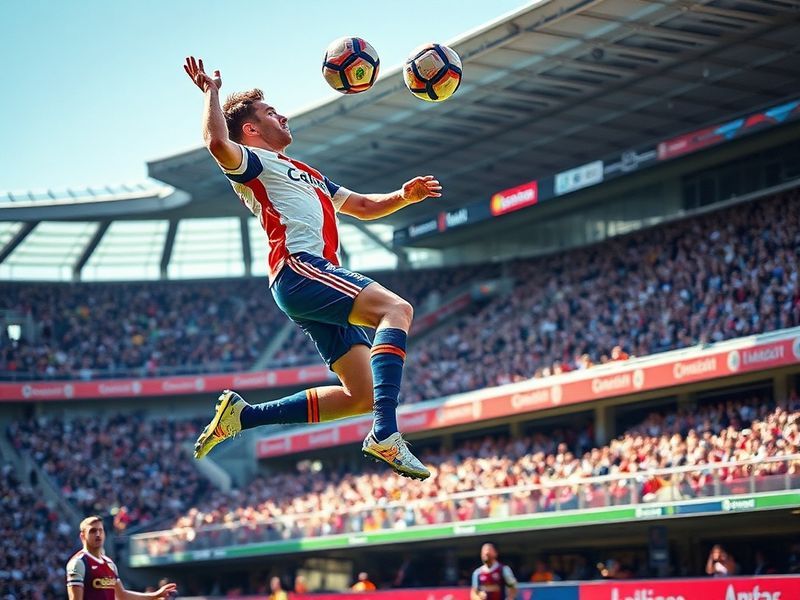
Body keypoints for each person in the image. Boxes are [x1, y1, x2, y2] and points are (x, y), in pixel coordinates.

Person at [183, 56, 442, 480]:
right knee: (396, 310)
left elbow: (362, 206)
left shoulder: (307, 173)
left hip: (312, 279)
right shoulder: (252, 162)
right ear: (251, 130)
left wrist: (402, 196)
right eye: (270, 113)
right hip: (300, 269)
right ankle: (385, 433)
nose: (282, 115)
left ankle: (244, 416)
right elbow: (216, 143)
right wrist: (212, 93)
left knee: (360, 395)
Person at [66, 515, 177, 600]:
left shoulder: (109, 563)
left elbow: (122, 595)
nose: (98, 534)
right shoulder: (79, 563)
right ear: (82, 536)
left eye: (100, 530)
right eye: (93, 531)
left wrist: (155, 595)